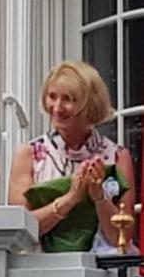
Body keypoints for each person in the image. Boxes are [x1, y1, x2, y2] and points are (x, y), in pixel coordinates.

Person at [8, 60, 135, 253]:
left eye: (68, 99)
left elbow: (121, 238)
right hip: (41, 266)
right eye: (52, 97)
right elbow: (19, 235)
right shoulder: (28, 155)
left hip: (102, 267)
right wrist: (71, 199)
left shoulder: (117, 156)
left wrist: (99, 197)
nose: (57, 108)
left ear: (89, 104)